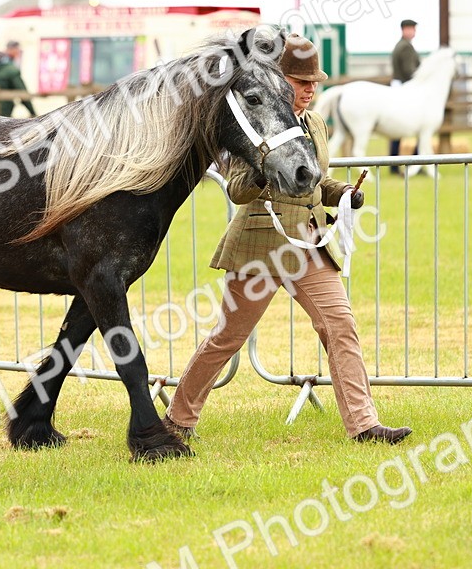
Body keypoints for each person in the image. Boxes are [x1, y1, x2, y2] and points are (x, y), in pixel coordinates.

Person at [164, 34, 412, 445]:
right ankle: (177, 418)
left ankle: (364, 425)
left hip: (310, 244)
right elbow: (238, 189)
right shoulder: (253, 120)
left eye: (315, 82)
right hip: (261, 248)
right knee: (227, 337)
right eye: (302, 82)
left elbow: (314, 182)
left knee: (340, 325)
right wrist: (267, 167)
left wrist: (343, 194)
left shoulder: (315, 123)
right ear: (279, 81)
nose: (311, 89)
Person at [389, 19, 420, 173]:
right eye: (410, 29)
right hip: (403, 87)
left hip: (398, 85)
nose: (412, 32)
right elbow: (410, 71)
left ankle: (395, 163)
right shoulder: (406, 47)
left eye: (413, 29)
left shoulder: (402, 45)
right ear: (404, 30)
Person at [0, 40, 36, 117]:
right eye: (18, 51)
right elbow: (22, 93)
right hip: (3, 114)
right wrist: (33, 113)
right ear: (12, 50)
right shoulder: (11, 69)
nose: (19, 54)